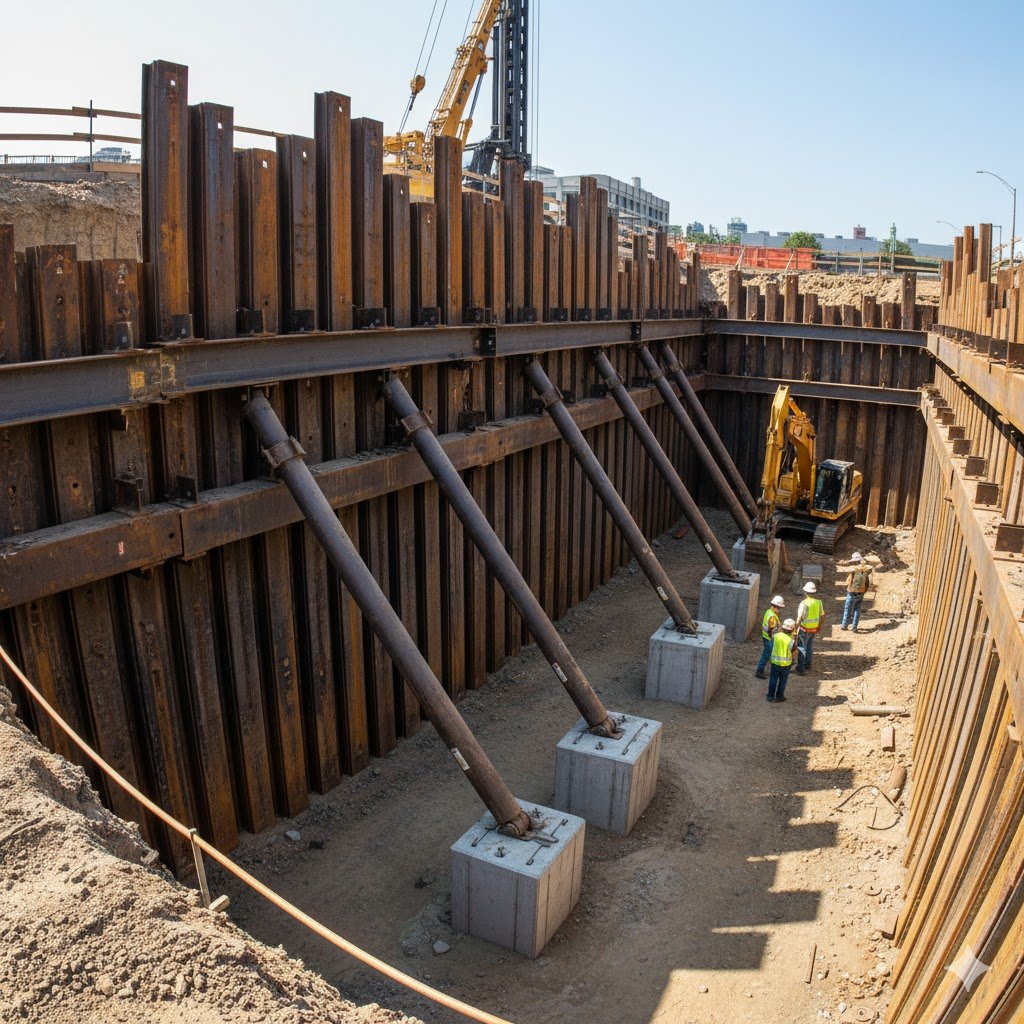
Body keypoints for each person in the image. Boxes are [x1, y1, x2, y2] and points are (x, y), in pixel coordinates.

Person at [755, 595, 786, 679]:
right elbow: (771, 629)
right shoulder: (772, 617)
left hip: (766, 637)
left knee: (767, 654)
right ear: (776, 607)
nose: (779, 610)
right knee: (766, 655)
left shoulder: (769, 611)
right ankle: (759, 671)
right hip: (769, 638)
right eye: (779, 608)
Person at [795, 580, 823, 674]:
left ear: (805, 592)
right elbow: (822, 616)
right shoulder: (819, 602)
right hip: (813, 629)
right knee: (810, 646)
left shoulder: (804, 603)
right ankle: (807, 664)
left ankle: (800, 668)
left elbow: (799, 618)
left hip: (804, 629)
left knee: (802, 647)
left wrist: (794, 629)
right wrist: (819, 626)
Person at [840, 552, 872, 632]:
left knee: (847, 608)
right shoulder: (865, 570)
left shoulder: (853, 570)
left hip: (851, 591)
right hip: (861, 592)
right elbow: (867, 583)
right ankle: (854, 627)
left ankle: (844, 625)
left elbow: (848, 582)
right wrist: (864, 591)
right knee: (857, 609)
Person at [767, 618, 797, 703]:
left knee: (773, 678)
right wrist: (793, 660)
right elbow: (793, 651)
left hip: (775, 662)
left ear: (783, 628)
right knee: (783, 680)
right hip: (786, 664)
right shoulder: (791, 641)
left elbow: (771, 645)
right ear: (792, 630)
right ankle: (779, 696)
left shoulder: (776, 636)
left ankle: (770, 696)